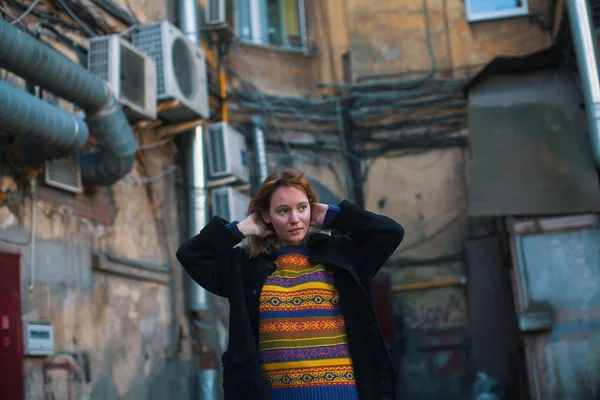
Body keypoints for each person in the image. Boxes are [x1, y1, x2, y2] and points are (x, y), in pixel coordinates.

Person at [176, 169, 404, 400]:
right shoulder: (246, 267)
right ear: (266, 216)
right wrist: (240, 229)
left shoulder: (342, 254)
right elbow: (191, 255)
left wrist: (336, 216)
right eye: (283, 211)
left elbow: (390, 233)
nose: (295, 219)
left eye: (302, 208)